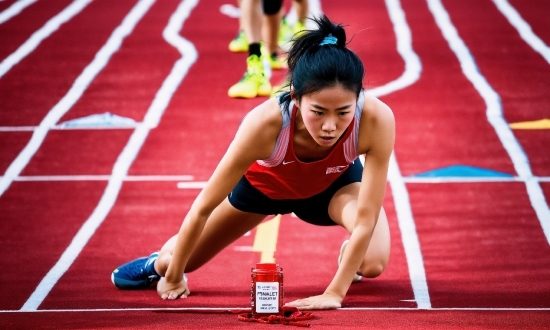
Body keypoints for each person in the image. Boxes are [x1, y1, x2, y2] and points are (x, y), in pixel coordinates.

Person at [112, 15, 394, 310]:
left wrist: (334, 293)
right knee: (179, 261)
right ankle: (155, 263)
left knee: (372, 262)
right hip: (264, 189)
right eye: (319, 112)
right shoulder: (263, 123)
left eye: (343, 113)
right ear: (295, 97)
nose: (330, 126)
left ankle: (349, 257)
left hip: (331, 187)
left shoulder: (377, 120)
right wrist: (171, 277)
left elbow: (365, 218)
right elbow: (204, 207)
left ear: (358, 99)